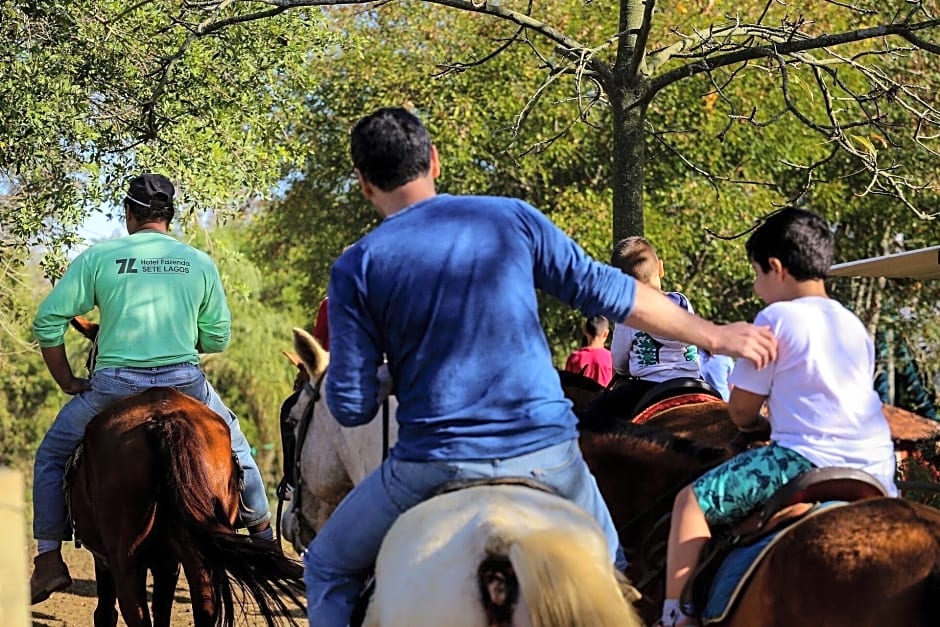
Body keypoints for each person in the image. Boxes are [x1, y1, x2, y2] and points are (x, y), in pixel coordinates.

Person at [304, 107, 777, 627]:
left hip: (432, 463)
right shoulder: (511, 219)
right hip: (548, 455)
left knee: (326, 567)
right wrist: (715, 335)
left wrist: (391, 376)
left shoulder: (357, 266)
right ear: (434, 161)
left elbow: (350, 407)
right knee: (615, 573)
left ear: (364, 184)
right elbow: (615, 292)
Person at [29, 174, 273, 605]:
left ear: (128, 214)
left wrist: (67, 381)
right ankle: (262, 536)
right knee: (237, 446)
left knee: (51, 456)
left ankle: (49, 560)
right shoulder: (197, 262)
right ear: (169, 216)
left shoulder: (100, 257)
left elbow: (47, 321)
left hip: (114, 386)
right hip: (185, 381)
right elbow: (217, 339)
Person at [659, 207, 898, 627]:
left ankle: (676, 614)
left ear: (776, 268)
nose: (756, 288)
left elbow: (740, 411)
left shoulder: (775, 319)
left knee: (691, 503)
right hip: (877, 466)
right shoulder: (852, 323)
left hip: (805, 460)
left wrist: (755, 426)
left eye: (756, 275)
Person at [591, 236, 702, 417]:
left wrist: (623, 370)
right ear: (661, 268)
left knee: (596, 415)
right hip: (692, 381)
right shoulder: (683, 301)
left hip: (648, 386)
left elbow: (619, 361)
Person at [565, 315, 614, 386]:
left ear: (585, 330)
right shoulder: (611, 358)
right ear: (606, 333)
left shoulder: (574, 358)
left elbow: (566, 386)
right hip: (606, 397)